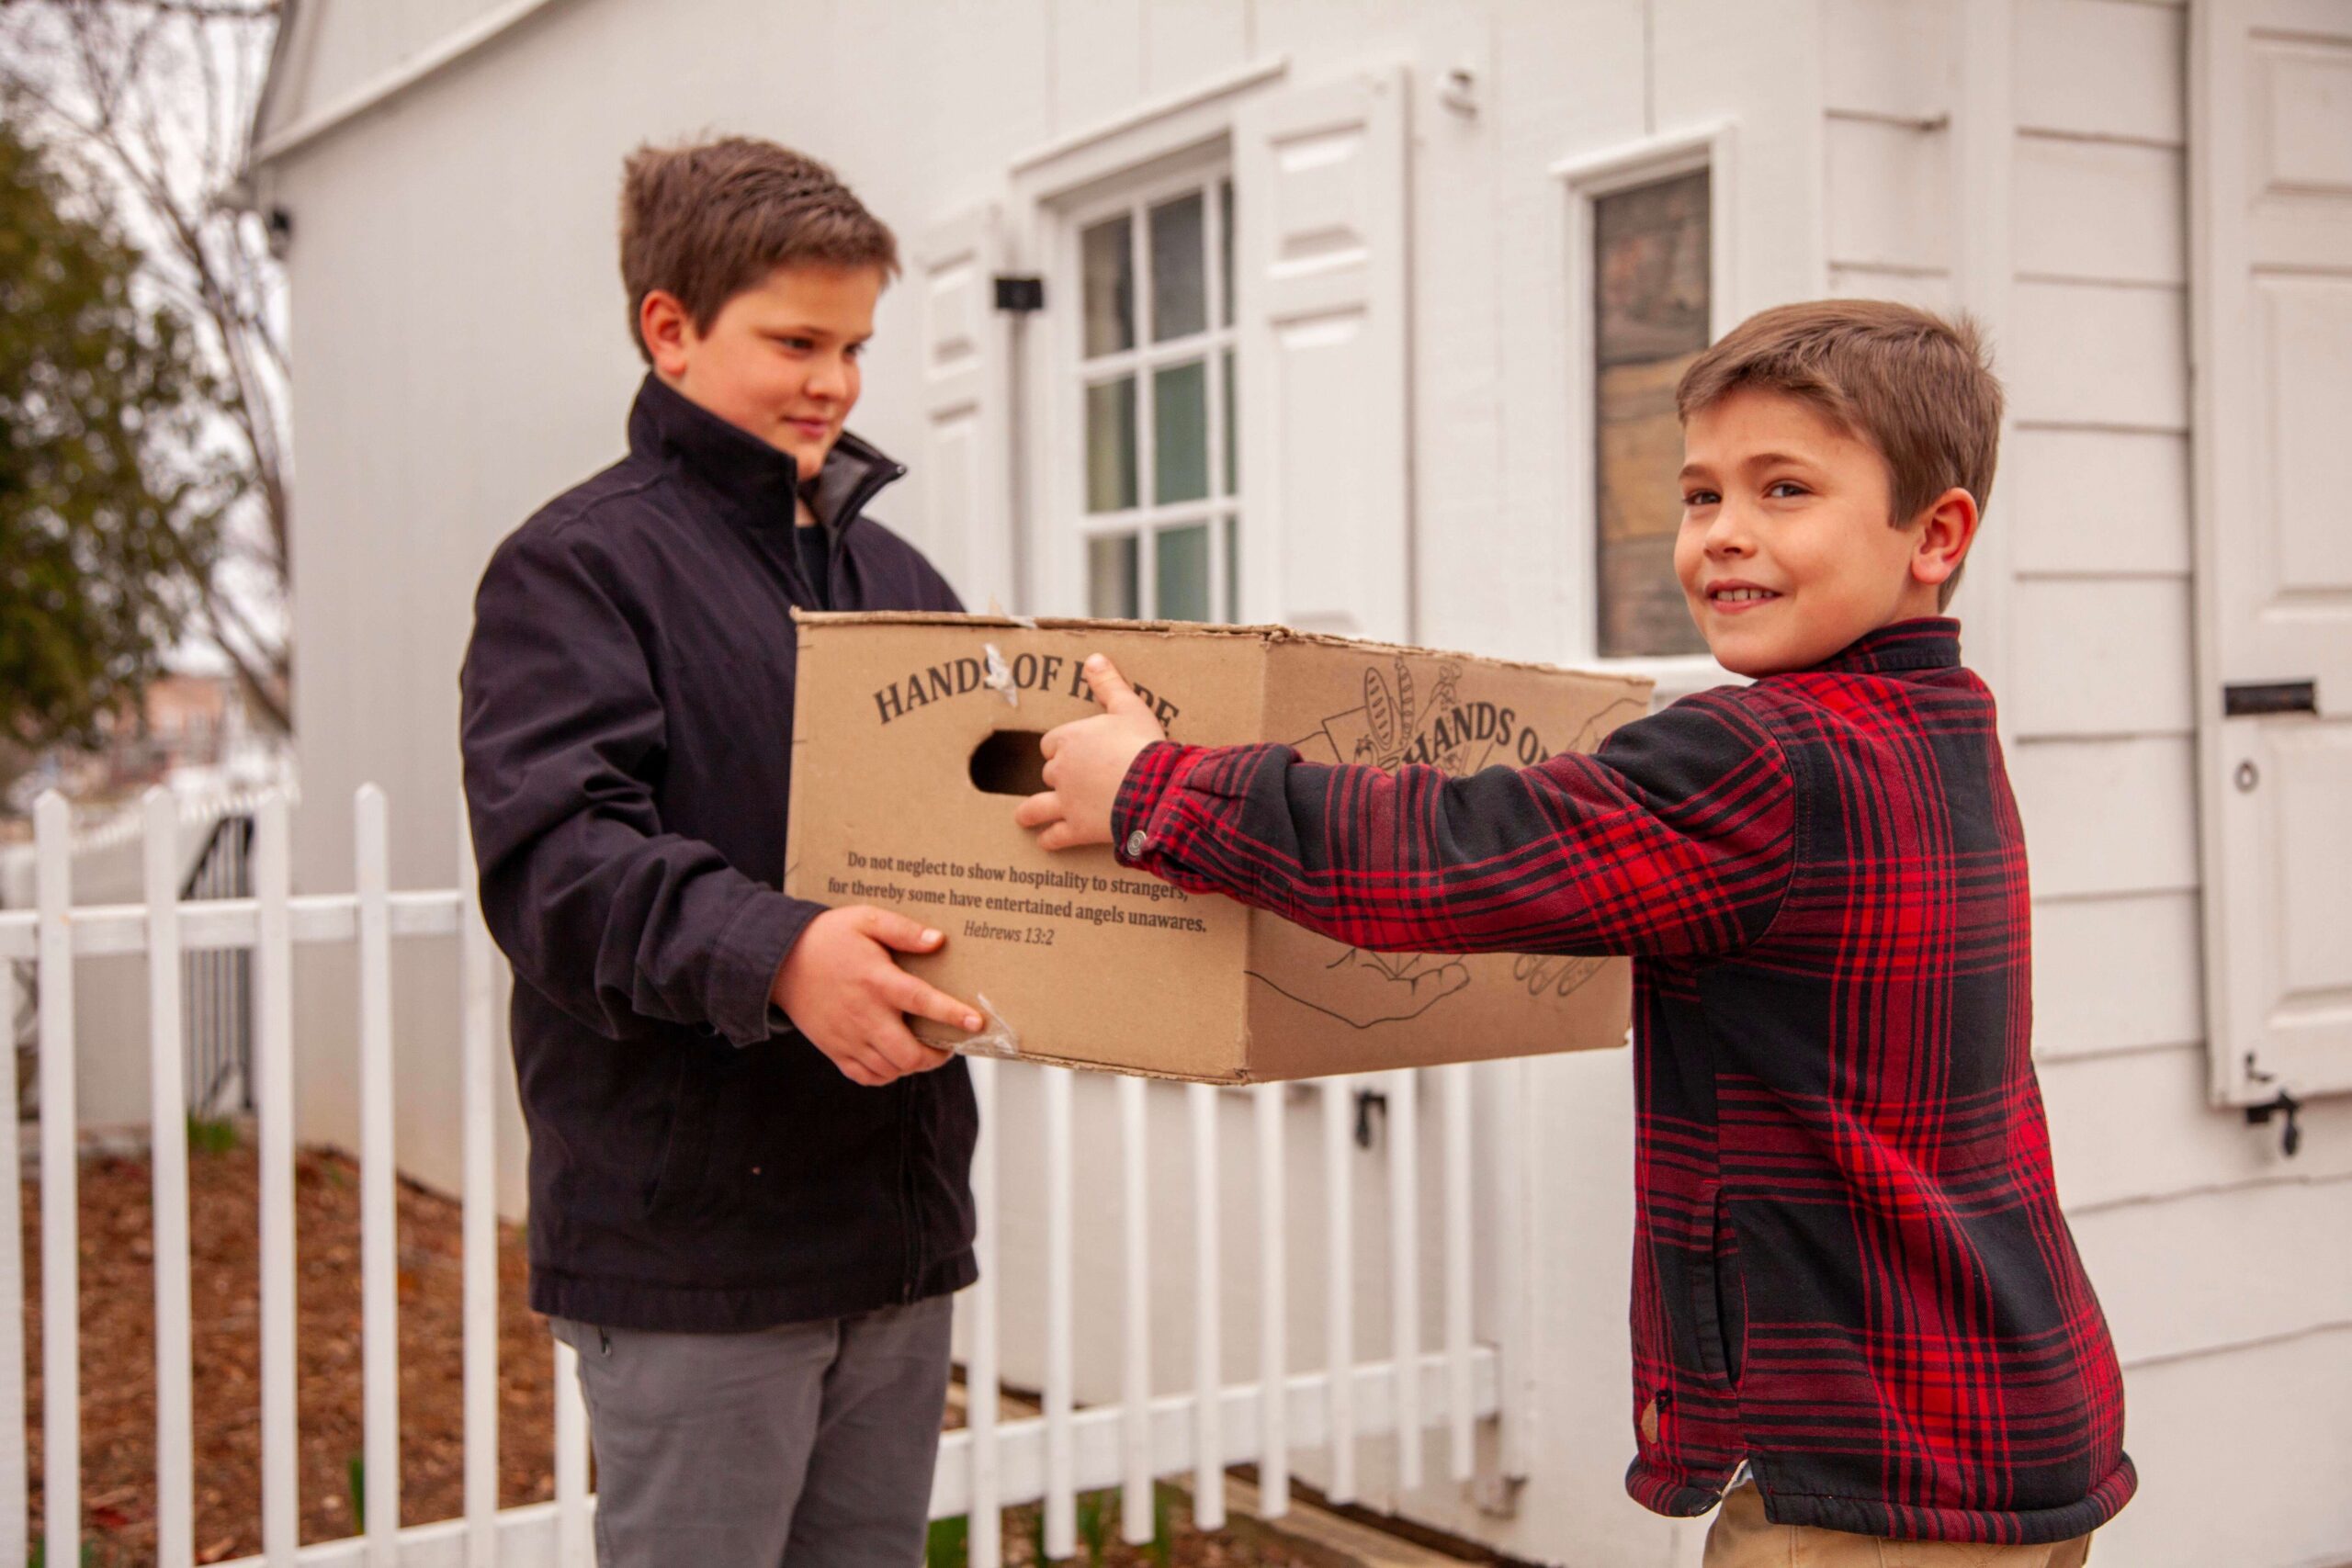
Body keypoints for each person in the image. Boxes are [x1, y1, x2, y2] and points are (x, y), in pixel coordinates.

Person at [1018, 300, 2133, 1565]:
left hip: (1872, 1477)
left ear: (1935, 534)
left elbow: (1449, 856)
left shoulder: (1763, 758)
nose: (1726, 537)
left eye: (1784, 490)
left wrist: (1153, 789)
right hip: (2013, 1418)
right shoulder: (1940, 730)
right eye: (1701, 495)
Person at [460, 136, 985, 1567]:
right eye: (797, 341)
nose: (834, 382)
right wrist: (782, 951)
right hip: (691, 1247)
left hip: (892, 1227)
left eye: (856, 345)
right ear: (671, 330)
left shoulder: (901, 583)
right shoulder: (576, 569)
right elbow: (557, 863)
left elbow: (974, 826)